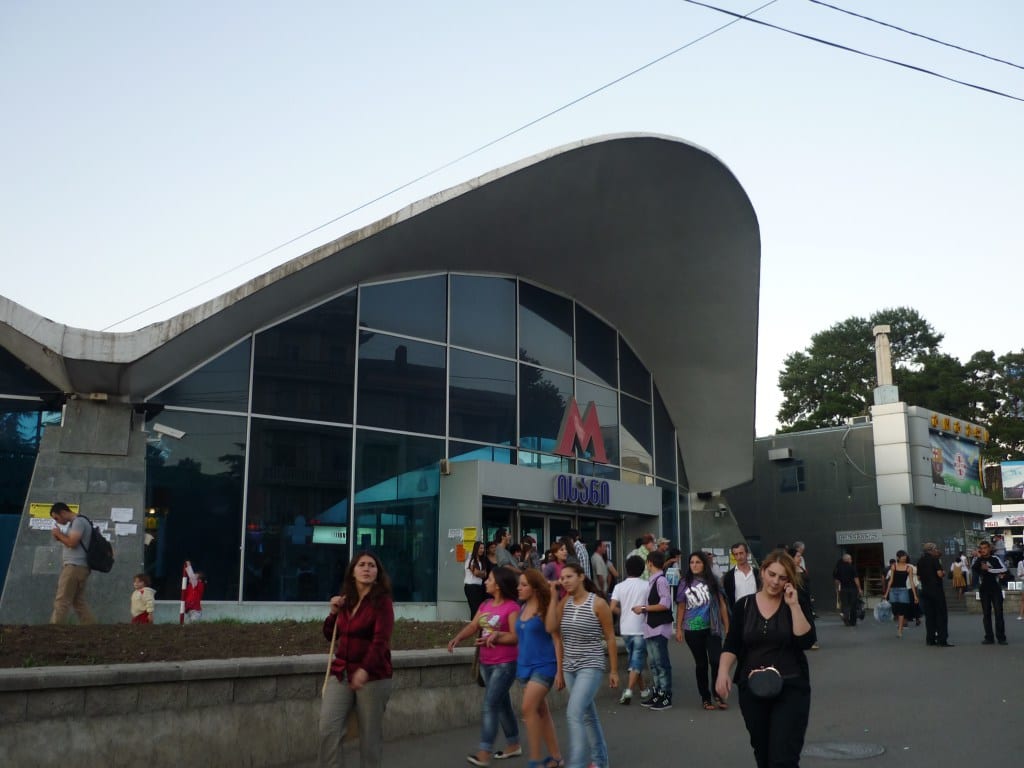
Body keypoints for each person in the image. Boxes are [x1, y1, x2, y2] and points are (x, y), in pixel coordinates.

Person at [715, 548, 816, 768]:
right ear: (762, 572)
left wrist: (794, 605)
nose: (775, 582)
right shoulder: (744, 605)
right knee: (763, 753)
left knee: (784, 758)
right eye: (772, 574)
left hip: (791, 687)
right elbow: (732, 643)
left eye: (782, 578)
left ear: (788, 581)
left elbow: (806, 641)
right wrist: (723, 672)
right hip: (753, 689)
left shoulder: (795, 602)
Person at [318, 551, 395, 768]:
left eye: (372, 565)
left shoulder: (382, 603)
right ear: (353, 572)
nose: (367, 569)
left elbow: (381, 641)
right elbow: (329, 634)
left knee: (369, 739)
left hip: (373, 677)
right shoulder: (347, 601)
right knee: (327, 730)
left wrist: (364, 669)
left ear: (377, 573)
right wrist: (333, 612)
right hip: (341, 672)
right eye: (361, 565)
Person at [546, 562, 618, 768]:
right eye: (562, 577)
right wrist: (553, 596)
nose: (564, 581)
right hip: (570, 667)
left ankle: (575, 764)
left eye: (569, 576)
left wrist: (613, 670)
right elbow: (551, 627)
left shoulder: (598, 604)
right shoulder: (564, 602)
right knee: (587, 715)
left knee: (574, 712)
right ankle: (600, 761)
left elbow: (611, 638)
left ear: (581, 577)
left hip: (591, 664)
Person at [448, 567, 521, 766]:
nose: (485, 582)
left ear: (498, 585)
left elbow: (516, 637)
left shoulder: (512, 607)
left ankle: (484, 751)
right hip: (486, 663)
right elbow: (474, 626)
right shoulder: (486, 604)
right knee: (502, 704)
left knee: (490, 705)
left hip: (505, 664)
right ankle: (514, 744)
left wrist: (497, 637)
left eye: (488, 579)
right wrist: (458, 638)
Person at [510, 568, 564, 768]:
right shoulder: (521, 608)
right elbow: (518, 638)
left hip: (544, 665)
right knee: (541, 711)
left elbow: (556, 639)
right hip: (524, 666)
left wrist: (559, 671)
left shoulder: (545, 607)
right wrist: (497, 637)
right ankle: (556, 757)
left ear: (534, 588)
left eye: (524, 585)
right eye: (519, 584)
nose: (519, 588)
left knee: (528, 708)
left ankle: (535, 760)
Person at [675, 550, 729, 711]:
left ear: (704, 564)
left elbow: (722, 605)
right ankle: (705, 697)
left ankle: (718, 693)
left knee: (716, 661)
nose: (694, 565)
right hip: (692, 630)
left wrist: (728, 627)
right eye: (692, 562)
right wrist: (678, 628)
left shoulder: (713, 581)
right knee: (701, 664)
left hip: (712, 629)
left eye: (698, 562)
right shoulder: (685, 582)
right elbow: (681, 606)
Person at [634, 549, 674, 711]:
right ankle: (659, 692)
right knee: (655, 664)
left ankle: (666, 694)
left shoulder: (660, 581)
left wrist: (644, 608)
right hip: (651, 627)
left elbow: (665, 603)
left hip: (659, 627)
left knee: (661, 663)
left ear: (650, 563)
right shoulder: (654, 580)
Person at [609, 555, 650, 706]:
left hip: (625, 629)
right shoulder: (647, 586)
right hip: (640, 628)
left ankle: (644, 690)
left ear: (626, 569)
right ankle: (628, 691)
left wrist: (624, 611)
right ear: (642, 569)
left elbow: (611, 608)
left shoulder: (619, 587)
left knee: (634, 660)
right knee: (637, 661)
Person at [48, 502, 97, 625]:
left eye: (56, 518)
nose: (57, 521)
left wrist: (59, 534)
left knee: (62, 599)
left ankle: (54, 628)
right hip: (81, 566)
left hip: (74, 566)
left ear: (63, 512)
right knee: (77, 601)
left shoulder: (78, 522)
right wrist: (60, 537)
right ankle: (91, 626)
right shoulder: (78, 522)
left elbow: (72, 543)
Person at [971, 540, 1008, 645]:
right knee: (986, 614)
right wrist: (978, 558)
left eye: (985, 548)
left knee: (998, 613)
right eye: (981, 548)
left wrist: (990, 569)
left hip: (995, 589)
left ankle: (1001, 637)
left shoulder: (995, 558)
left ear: (989, 549)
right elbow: (974, 569)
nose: (983, 550)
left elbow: (1004, 569)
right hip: (984, 589)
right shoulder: (979, 560)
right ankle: (989, 637)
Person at [917, 543, 952, 647]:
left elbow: (918, 577)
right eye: (936, 549)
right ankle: (942, 640)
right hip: (936, 590)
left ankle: (930, 639)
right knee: (941, 614)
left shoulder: (920, 560)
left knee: (930, 616)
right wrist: (944, 573)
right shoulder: (934, 559)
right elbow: (939, 574)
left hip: (925, 590)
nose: (937, 550)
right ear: (932, 550)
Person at [882, 550, 918, 638]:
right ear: (898, 557)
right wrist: (886, 593)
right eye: (902, 556)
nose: (904, 558)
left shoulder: (909, 568)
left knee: (902, 610)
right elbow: (891, 580)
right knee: (894, 608)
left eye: (905, 556)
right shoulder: (894, 566)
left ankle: (900, 630)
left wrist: (915, 595)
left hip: (903, 590)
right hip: (893, 590)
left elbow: (911, 581)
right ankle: (900, 625)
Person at [723, 542, 761, 621]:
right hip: (738, 614)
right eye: (736, 554)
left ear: (747, 554)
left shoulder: (758, 573)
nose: (739, 557)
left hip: (756, 613)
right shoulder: (729, 576)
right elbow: (727, 598)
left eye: (741, 553)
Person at [832, 553, 862, 627]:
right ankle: (853, 621)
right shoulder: (852, 567)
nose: (851, 560)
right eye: (851, 559)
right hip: (853, 589)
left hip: (843, 589)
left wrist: (837, 589)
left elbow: (836, 581)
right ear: (848, 559)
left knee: (845, 605)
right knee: (853, 605)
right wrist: (859, 589)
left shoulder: (838, 568)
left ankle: (846, 617)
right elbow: (856, 579)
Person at [465, 541, 489, 619]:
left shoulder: (482, 561)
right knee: (475, 609)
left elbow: (485, 574)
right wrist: (481, 573)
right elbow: (476, 573)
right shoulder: (470, 560)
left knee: (479, 609)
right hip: (471, 587)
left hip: (479, 586)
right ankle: (473, 626)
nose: (482, 550)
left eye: (483, 548)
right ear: (476, 549)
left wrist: (480, 573)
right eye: (480, 548)